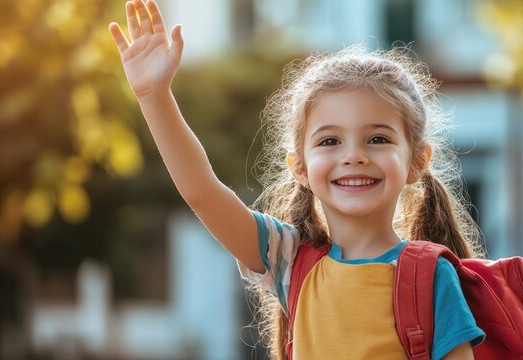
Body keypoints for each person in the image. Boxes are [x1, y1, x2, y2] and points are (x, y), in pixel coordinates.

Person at [109, 0, 486, 359]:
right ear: (300, 167)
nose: (353, 155)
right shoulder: (289, 260)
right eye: (329, 141)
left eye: (378, 139)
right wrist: (154, 96)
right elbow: (202, 192)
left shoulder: (432, 277)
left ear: (418, 161)